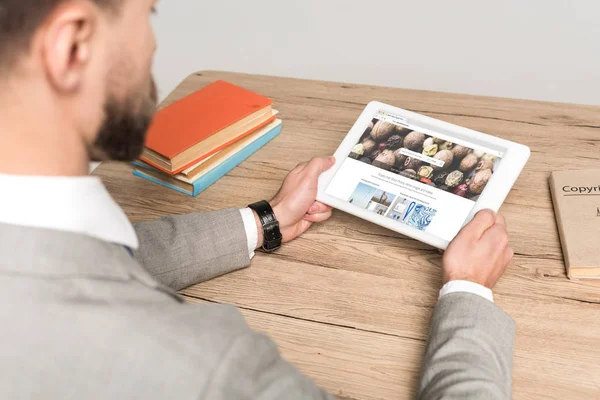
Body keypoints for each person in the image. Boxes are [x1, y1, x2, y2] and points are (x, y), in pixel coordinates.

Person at [0, 1, 515, 399]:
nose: (152, 43)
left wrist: (262, 221)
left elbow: (79, 261)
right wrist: (468, 295)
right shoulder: (203, 366)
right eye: (145, 13)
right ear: (71, 48)